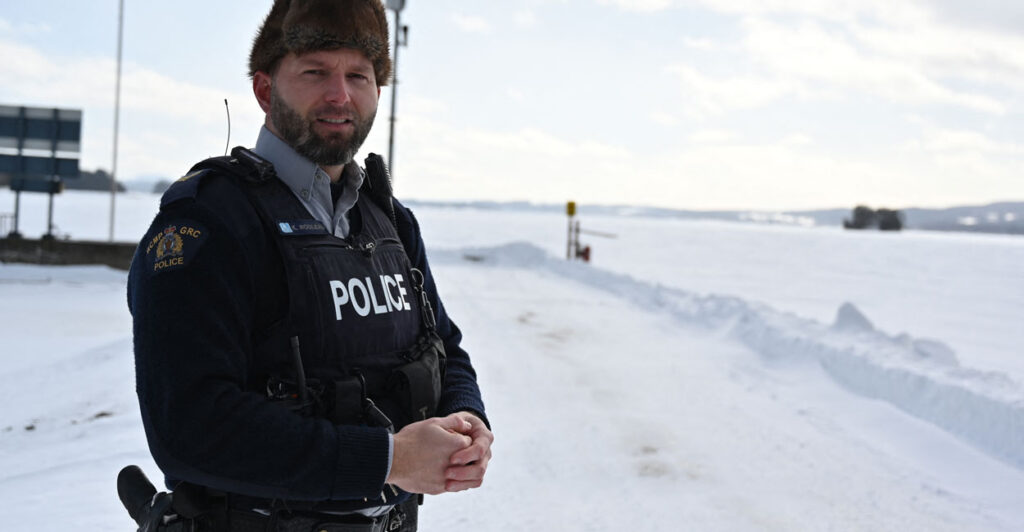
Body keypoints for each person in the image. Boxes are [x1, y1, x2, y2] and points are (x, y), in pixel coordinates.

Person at [124, 1, 492, 530]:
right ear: (265, 89)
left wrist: (468, 418)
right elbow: (188, 426)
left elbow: (444, 347)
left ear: (377, 93)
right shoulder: (211, 224)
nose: (340, 95)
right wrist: (389, 460)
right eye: (316, 71)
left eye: (358, 76)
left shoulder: (390, 221)